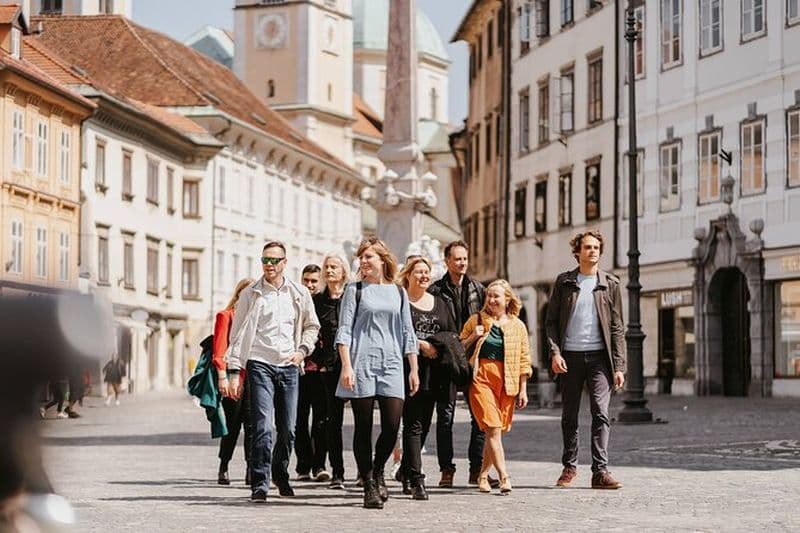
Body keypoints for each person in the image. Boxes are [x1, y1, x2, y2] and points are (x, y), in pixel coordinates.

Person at [227, 242, 320, 503]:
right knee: (262, 427)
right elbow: (238, 334)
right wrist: (234, 370)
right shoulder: (250, 294)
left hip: (289, 365)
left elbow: (312, 326)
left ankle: (280, 472)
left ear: (284, 263)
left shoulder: (299, 293)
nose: (269, 265)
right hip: (260, 363)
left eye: (274, 260)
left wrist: (302, 350)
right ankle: (260, 482)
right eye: (265, 260)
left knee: (288, 429)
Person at [335, 236, 419, 509]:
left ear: (383, 260)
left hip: (392, 364)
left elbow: (408, 332)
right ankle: (369, 483)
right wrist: (346, 365)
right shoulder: (354, 290)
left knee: (392, 427)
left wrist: (413, 368)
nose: (363, 262)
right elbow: (344, 330)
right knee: (363, 428)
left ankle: (379, 468)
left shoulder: (399, 292)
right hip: (361, 363)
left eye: (368, 256)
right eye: (361, 257)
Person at [546, 230, 626, 490]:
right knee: (569, 415)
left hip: (600, 360)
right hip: (570, 356)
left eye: (596, 247)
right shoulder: (564, 282)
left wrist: (619, 366)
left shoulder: (610, 283)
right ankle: (569, 467)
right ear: (577, 252)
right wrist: (555, 352)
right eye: (587, 247)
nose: (592, 251)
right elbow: (550, 323)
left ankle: (600, 471)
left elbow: (616, 327)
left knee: (601, 413)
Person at [460, 280, 531, 494]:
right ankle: (504, 477)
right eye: (489, 296)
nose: (491, 300)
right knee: (492, 427)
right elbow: (459, 347)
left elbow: (524, 359)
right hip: (481, 378)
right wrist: (475, 335)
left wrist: (523, 388)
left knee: (496, 431)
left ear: (507, 299)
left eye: (496, 296)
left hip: (507, 380)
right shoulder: (476, 320)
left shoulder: (518, 326)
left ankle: (482, 476)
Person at [397, 256, 458, 501]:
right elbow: (396, 331)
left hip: (436, 372)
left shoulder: (440, 302)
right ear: (408, 275)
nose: (423, 276)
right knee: (413, 423)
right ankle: (417, 479)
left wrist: (437, 345)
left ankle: (405, 470)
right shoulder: (401, 300)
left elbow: (451, 332)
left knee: (425, 423)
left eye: (426, 272)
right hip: (408, 369)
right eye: (418, 272)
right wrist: (420, 344)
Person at [428, 240, 487, 487]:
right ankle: (447, 470)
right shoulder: (435, 290)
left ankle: (476, 469)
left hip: (473, 359)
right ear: (447, 261)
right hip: (446, 361)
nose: (462, 263)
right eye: (457, 259)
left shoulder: (477, 289)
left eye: (465, 258)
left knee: (480, 418)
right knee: (445, 417)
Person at [309, 253, 351, 489]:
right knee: (332, 420)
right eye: (327, 267)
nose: (329, 270)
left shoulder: (352, 297)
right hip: (329, 367)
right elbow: (310, 332)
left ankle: (364, 471)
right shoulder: (317, 301)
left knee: (362, 421)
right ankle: (338, 471)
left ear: (343, 271)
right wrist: (319, 360)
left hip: (353, 365)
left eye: (334, 267)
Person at [213, 277, 255, 486]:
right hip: (233, 375)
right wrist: (222, 376)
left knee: (252, 425)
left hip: (255, 377)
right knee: (232, 424)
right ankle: (224, 465)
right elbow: (219, 349)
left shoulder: (258, 319)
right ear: (239, 295)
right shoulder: (226, 316)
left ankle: (250, 468)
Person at [294, 263, 330, 482]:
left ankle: (319, 465)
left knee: (321, 420)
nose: (309, 285)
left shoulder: (324, 304)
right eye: (306, 280)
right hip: (298, 369)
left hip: (320, 370)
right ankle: (303, 466)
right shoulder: (296, 301)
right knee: (298, 420)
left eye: (314, 281)